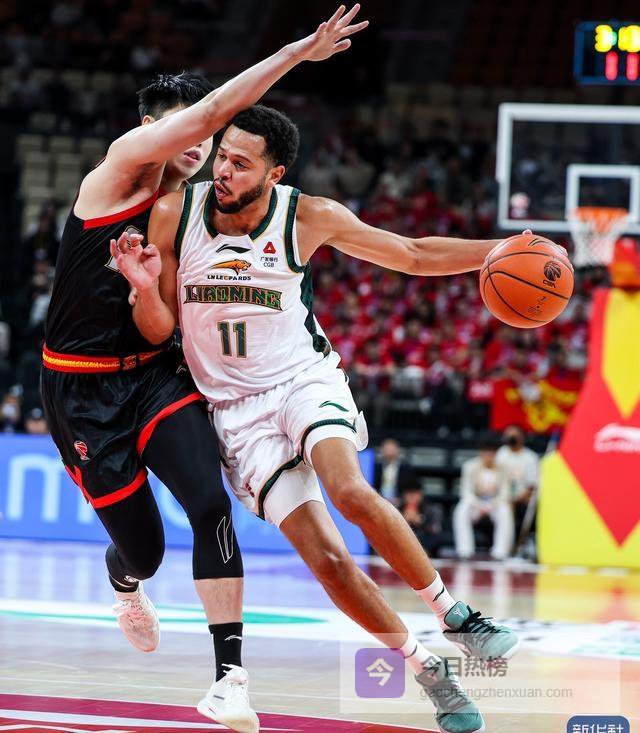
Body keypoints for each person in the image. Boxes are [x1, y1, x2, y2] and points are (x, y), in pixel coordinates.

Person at [115, 104, 521, 733]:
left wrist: (502, 250)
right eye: (222, 156)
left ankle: (455, 615)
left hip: (302, 380)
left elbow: (412, 253)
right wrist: (144, 289)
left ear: (273, 174)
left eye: (240, 163)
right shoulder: (176, 214)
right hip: (236, 414)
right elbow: (157, 329)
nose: (223, 170)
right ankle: (427, 671)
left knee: (348, 489)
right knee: (329, 561)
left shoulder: (307, 216)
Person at [39, 8, 368, 732]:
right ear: (152, 130)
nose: (199, 146)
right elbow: (217, 111)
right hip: (81, 385)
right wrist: (298, 52)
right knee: (145, 552)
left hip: (156, 373)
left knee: (210, 506)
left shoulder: (192, 208)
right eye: (184, 130)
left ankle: (229, 679)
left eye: (205, 139)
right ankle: (123, 576)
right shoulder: (121, 169)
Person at [453, 439, 514, 561]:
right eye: (486, 453)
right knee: (462, 508)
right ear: (481, 453)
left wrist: (490, 505)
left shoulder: (504, 468)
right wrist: (479, 505)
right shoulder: (469, 466)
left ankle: (500, 552)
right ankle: (464, 551)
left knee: (505, 510)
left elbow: (505, 493)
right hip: (476, 504)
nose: (489, 456)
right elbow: (466, 492)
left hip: (495, 504)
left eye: (492, 453)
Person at [496, 424, 540, 545]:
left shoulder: (530, 457)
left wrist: (516, 500)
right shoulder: (501, 453)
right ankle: (503, 547)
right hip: (503, 497)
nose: (511, 438)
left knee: (526, 511)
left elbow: (532, 486)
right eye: (508, 435)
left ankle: (522, 544)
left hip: (523, 499)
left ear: (522, 437)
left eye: (514, 436)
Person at [373, 438, 417, 506]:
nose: (389, 452)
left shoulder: (406, 469)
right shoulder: (374, 468)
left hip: (401, 503)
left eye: (392, 449)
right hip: (377, 501)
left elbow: (413, 490)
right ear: (382, 451)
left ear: (398, 450)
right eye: (387, 449)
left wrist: (402, 500)